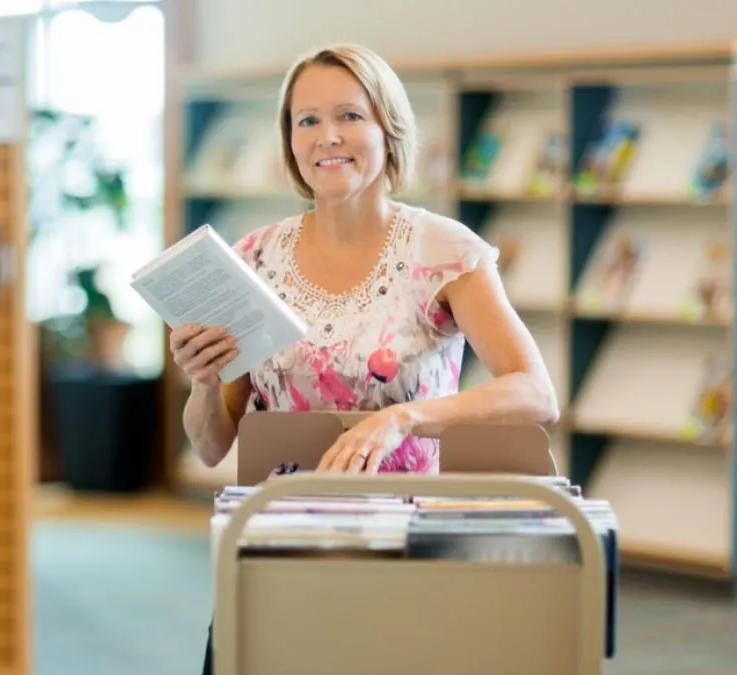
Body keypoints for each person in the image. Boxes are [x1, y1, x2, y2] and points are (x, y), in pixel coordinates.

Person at [175, 44, 560, 675]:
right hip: (279, 548)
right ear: (290, 141)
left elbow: (535, 392)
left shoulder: (445, 250)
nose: (328, 136)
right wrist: (201, 381)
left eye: (350, 116)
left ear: (389, 128)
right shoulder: (251, 260)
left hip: (404, 547)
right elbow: (213, 444)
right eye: (307, 121)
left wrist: (402, 418)